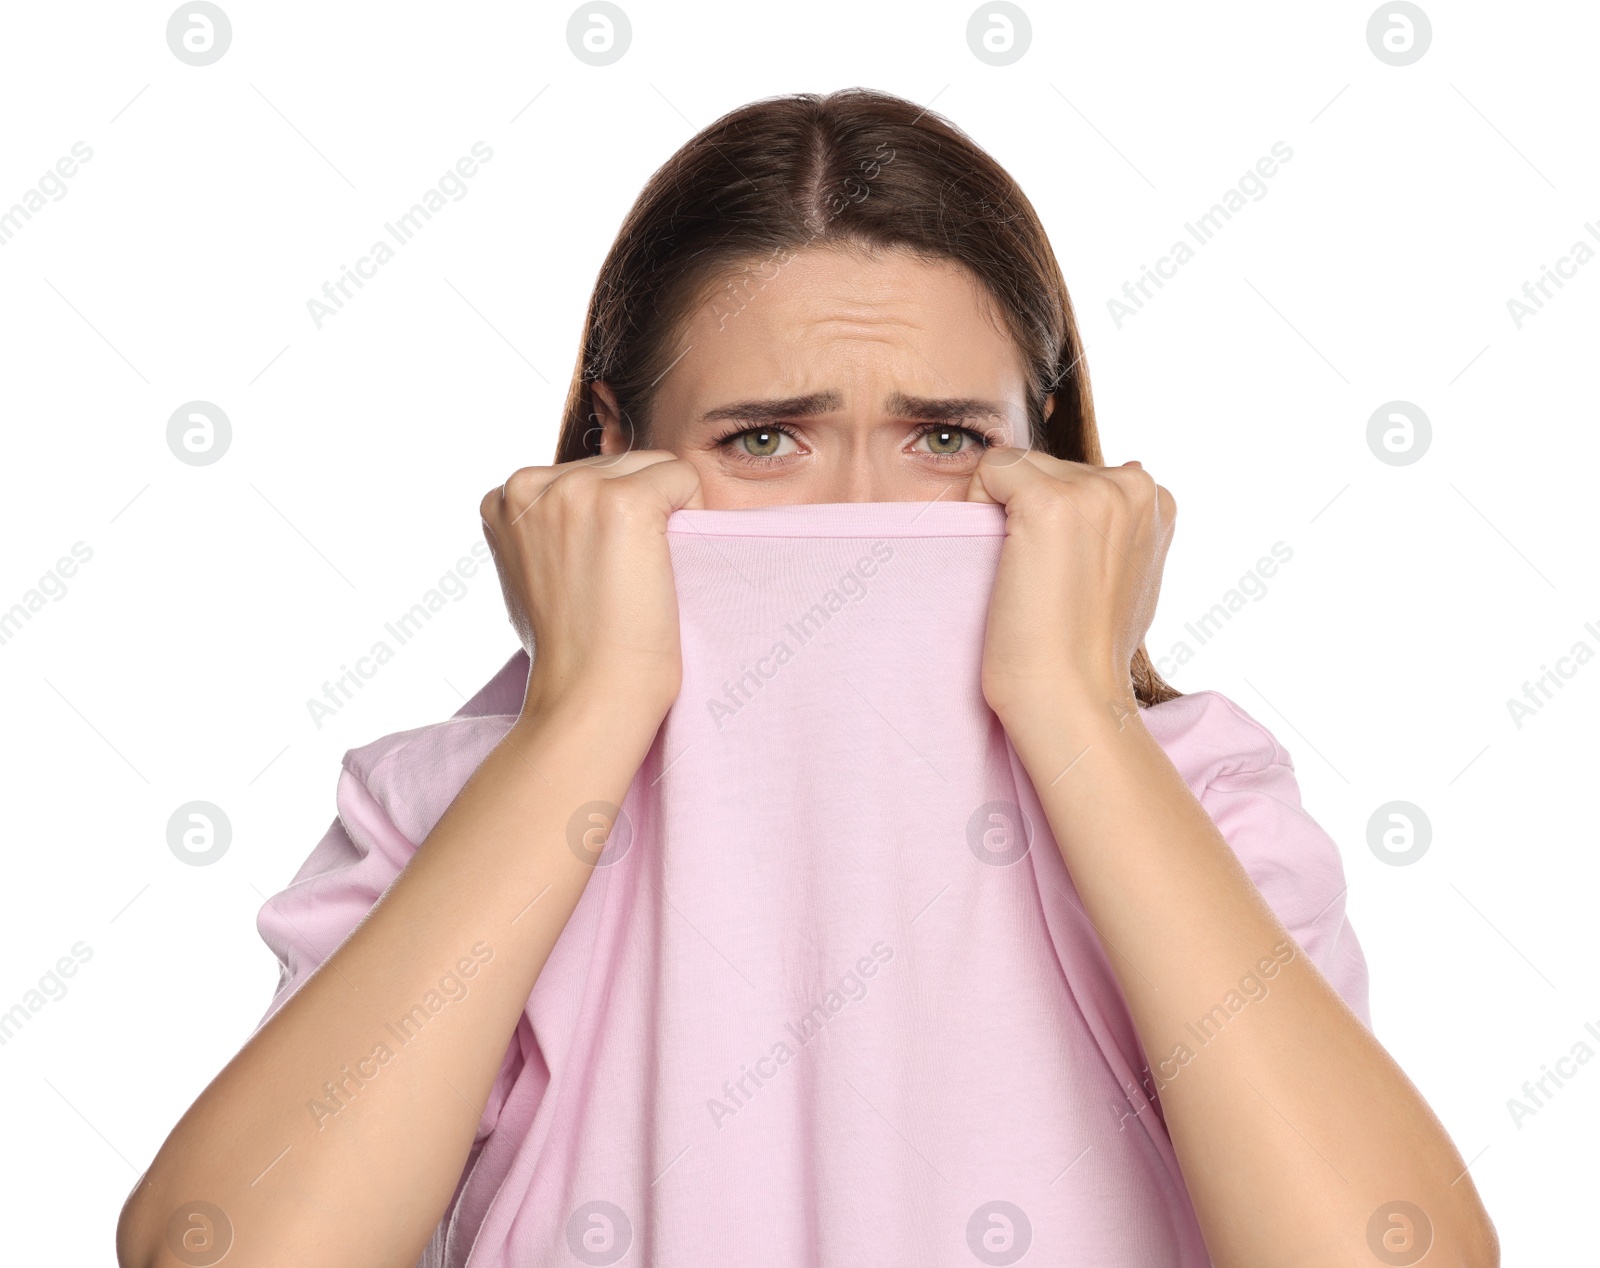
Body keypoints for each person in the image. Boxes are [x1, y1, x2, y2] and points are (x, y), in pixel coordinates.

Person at [117, 88, 1498, 1268]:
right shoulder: (460, 804)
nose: (857, 507)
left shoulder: (1196, 791)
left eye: (946, 437)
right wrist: (585, 721)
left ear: (1053, 463)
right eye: (767, 441)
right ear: (617, 453)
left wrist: (1077, 721)